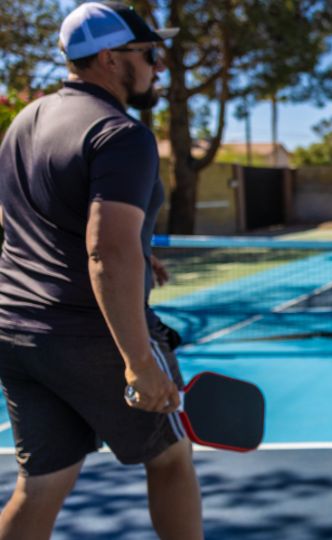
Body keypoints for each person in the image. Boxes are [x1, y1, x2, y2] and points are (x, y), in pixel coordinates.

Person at [0, 3, 202, 538]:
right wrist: (138, 361)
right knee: (172, 459)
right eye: (149, 54)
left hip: (18, 333)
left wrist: (138, 249)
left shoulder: (26, 121)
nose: (159, 66)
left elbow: (24, 219)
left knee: (39, 486)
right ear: (110, 59)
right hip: (92, 337)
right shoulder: (121, 134)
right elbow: (104, 251)